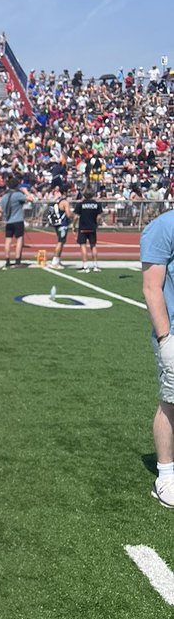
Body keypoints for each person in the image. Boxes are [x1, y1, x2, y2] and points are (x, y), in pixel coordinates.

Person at [140, 209, 174, 507]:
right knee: (171, 402)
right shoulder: (163, 226)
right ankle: (165, 474)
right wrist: (165, 337)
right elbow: (152, 287)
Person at [0, 174, 34, 266]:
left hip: (8, 221)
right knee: (19, 240)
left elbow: (0, 209)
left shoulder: (4, 196)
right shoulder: (18, 195)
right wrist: (25, 191)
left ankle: (7, 260)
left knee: (8, 240)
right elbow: (31, 199)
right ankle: (17, 260)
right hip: (18, 220)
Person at [74, 186, 102, 272]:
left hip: (83, 227)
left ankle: (85, 266)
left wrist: (73, 226)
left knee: (83, 246)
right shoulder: (97, 204)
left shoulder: (80, 204)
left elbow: (76, 217)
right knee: (93, 246)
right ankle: (95, 265)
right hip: (92, 227)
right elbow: (99, 217)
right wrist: (96, 224)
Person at [46, 184, 73, 269]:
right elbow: (68, 214)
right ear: (65, 192)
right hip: (62, 224)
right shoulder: (65, 202)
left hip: (58, 224)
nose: (70, 193)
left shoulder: (58, 199)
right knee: (60, 242)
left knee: (61, 242)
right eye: (69, 191)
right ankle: (55, 262)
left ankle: (57, 260)